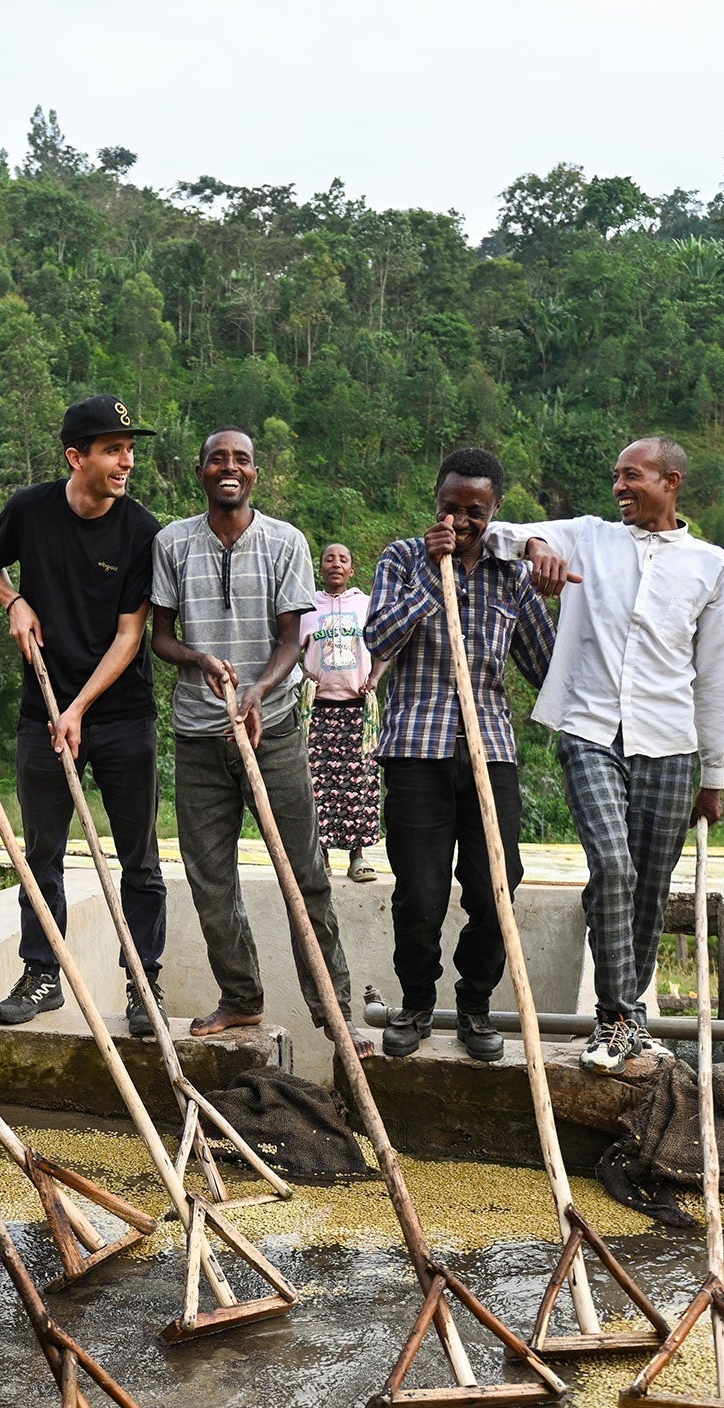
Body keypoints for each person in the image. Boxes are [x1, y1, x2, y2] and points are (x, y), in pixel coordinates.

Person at [486, 437, 724, 1075]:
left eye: (634, 477)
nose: (620, 487)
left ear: (671, 481)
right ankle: (618, 1017)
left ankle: (625, 1015)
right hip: (591, 727)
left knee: (650, 888)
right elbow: (498, 533)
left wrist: (715, 775)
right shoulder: (589, 536)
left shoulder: (713, 567)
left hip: (672, 742)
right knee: (614, 867)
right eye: (616, 478)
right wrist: (537, 546)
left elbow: (716, 677)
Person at [152, 427, 373, 1058]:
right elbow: (160, 637)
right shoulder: (173, 544)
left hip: (272, 732)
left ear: (255, 473)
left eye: (241, 460)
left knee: (305, 874)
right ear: (201, 473)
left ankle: (335, 1011)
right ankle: (241, 997)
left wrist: (255, 693)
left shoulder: (286, 543)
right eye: (218, 459)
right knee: (209, 876)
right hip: (199, 735)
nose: (230, 468)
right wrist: (198, 659)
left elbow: (288, 643)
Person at [0, 395, 167, 1034]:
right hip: (43, 711)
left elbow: (129, 635)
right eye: (114, 449)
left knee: (138, 857)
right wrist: (15, 603)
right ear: (75, 457)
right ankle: (42, 974)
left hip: (120, 716)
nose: (127, 461)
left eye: (130, 449)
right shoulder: (29, 510)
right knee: (42, 853)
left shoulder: (142, 531)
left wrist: (81, 708)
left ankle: (144, 983)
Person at [363, 448, 555, 1063]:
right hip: (416, 750)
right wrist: (430, 573)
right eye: (451, 507)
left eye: (476, 511)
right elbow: (379, 638)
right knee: (419, 892)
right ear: (436, 502)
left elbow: (545, 665)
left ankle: (476, 1005)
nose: (462, 520)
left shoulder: (512, 577)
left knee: (496, 887)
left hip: (489, 752)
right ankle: (416, 1003)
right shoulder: (401, 558)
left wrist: (561, 591)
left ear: (496, 511)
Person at [299, 541, 385, 882]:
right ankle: (319, 857)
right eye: (329, 559)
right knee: (314, 783)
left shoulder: (366, 605)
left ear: (351, 570)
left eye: (343, 559)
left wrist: (375, 678)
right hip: (317, 713)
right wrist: (304, 678)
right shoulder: (307, 608)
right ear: (321, 568)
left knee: (359, 782)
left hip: (358, 712)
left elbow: (387, 643)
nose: (336, 563)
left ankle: (357, 857)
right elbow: (289, 650)